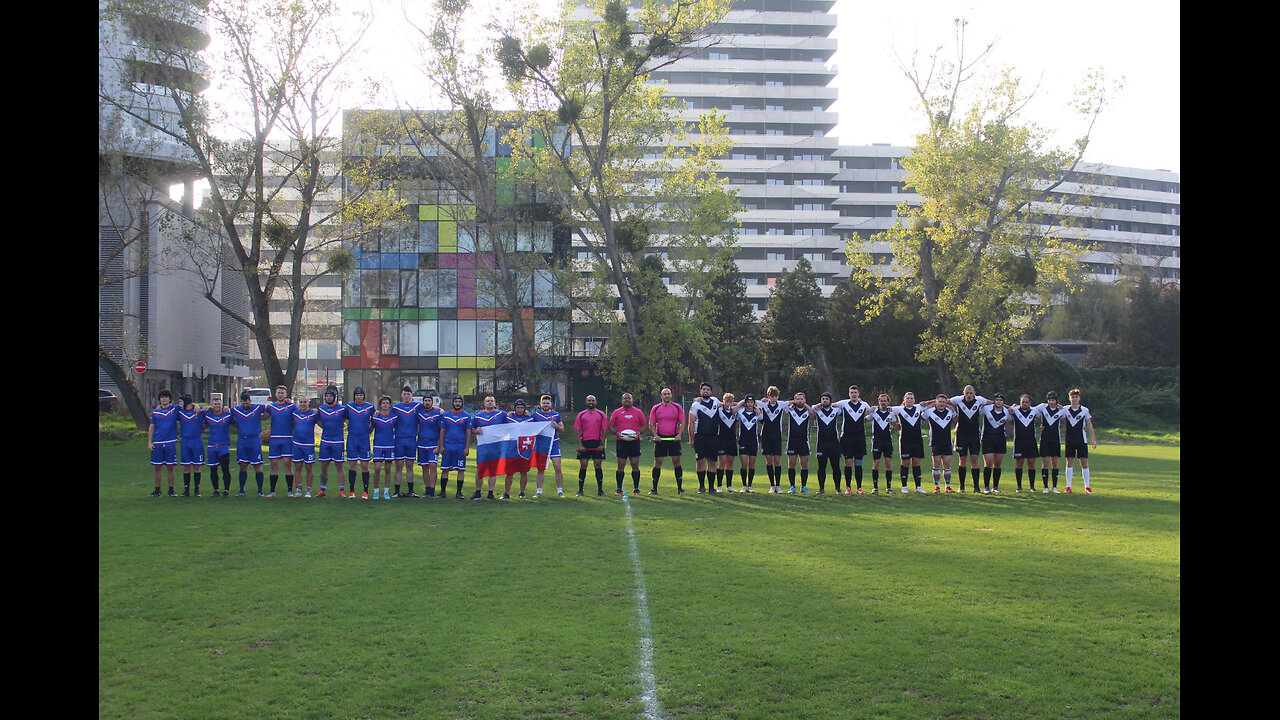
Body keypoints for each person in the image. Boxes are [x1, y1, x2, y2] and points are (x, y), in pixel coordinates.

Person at [949, 385, 991, 493]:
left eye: (971, 393)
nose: (969, 395)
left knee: (975, 459)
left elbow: (993, 403)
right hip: (961, 434)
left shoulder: (979, 400)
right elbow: (943, 401)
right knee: (962, 460)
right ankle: (961, 486)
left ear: (974, 393)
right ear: (963, 393)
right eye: (967, 393)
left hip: (974, 435)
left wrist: (1009, 407)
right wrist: (928, 403)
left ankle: (976, 487)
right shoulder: (958, 400)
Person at [230, 390, 269, 496]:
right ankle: (242, 490)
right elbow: (226, 413)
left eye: (247, 403)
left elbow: (270, 408)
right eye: (243, 403)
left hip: (254, 440)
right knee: (242, 465)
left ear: (250, 401)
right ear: (240, 402)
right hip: (242, 440)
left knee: (257, 465)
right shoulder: (236, 410)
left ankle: (260, 490)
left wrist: (264, 416)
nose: (245, 405)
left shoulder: (256, 408)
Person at [834, 385, 872, 494]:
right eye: (851, 392)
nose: (853, 394)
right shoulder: (844, 403)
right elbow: (831, 405)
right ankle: (848, 487)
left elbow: (872, 412)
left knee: (858, 463)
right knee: (848, 462)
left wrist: (866, 419)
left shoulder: (864, 404)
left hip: (859, 438)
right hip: (847, 437)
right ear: (849, 394)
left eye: (855, 392)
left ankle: (859, 488)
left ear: (858, 394)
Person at [470, 395, 508, 499]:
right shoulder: (478, 416)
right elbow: (471, 429)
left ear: (495, 403)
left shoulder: (502, 415)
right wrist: (475, 431)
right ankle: (478, 492)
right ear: (484, 403)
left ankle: (490, 493)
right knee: (480, 469)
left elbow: (511, 424)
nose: (490, 402)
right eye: (488, 401)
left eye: (492, 401)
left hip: (496, 446)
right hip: (483, 447)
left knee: (493, 470)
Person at [609, 393, 647, 495]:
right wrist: (617, 433)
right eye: (625, 398)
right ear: (621, 400)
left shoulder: (638, 412)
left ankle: (636, 488)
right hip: (621, 442)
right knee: (621, 465)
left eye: (629, 398)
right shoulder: (616, 412)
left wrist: (638, 433)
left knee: (635, 464)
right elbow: (611, 426)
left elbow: (644, 426)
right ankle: (619, 489)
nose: (627, 400)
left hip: (634, 442)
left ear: (632, 400)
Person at [648, 388, 684, 494]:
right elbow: (652, 423)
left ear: (671, 395)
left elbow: (682, 422)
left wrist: (679, 435)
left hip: (674, 439)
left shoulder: (677, 407)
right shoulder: (656, 408)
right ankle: (654, 489)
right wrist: (655, 435)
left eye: (668, 394)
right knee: (658, 463)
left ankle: (680, 488)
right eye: (665, 394)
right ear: (661, 396)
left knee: (676, 462)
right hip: (660, 439)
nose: (667, 396)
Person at [437, 395, 474, 499]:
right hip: (448, 446)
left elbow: (468, 433)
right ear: (453, 403)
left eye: (459, 401)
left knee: (461, 470)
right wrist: (441, 446)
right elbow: (442, 431)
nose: (457, 403)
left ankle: (459, 492)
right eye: (456, 401)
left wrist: (467, 447)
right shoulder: (446, 415)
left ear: (462, 403)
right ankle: (443, 492)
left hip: (460, 447)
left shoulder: (466, 416)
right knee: (445, 469)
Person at [687, 383, 721, 493]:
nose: (706, 391)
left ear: (711, 392)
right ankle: (702, 487)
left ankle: (711, 487)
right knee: (700, 461)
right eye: (703, 389)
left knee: (712, 462)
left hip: (713, 437)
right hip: (700, 437)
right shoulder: (696, 405)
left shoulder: (715, 401)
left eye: (708, 389)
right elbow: (691, 423)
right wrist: (691, 438)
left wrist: (746, 403)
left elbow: (727, 404)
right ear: (700, 391)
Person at [890, 392, 927, 494]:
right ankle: (904, 486)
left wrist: (947, 406)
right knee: (905, 463)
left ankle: (918, 487)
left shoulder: (919, 408)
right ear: (904, 400)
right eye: (908, 398)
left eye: (911, 398)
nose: (909, 400)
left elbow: (934, 404)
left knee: (916, 463)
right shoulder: (899, 409)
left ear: (914, 400)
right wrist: (894, 424)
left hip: (917, 440)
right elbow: (886, 409)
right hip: (905, 440)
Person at [1062, 388, 1097, 494]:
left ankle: (1087, 486)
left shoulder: (1084, 410)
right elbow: (1062, 419)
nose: (1074, 399)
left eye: (1076, 397)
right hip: (1069, 440)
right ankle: (1068, 486)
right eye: (1072, 397)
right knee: (1069, 462)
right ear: (1069, 398)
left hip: (1081, 440)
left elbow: (1089, 424)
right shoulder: (1065, 409)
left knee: (1084, 463)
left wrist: (1093, 440)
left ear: (1079, 398)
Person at [920, 394, 957, 493]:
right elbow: (920, 419)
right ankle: (937, 486)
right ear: (936, 402)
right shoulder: (929, 411)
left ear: (946, 403)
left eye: (943, 402)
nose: (941, 404)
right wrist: (928, 406)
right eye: (939, 402)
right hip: (935, 442)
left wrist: (952, 408)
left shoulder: (950, 411)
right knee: (936, 464)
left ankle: (948, 486)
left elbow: (956, 418)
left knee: (947, 464)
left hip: (947, 442)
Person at [574, 395, 608, 496]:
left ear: (596, 402)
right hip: (585, 443)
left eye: (592, 400)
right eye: (589, 400)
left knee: (598, 465)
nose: (591, 402)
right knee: (583, 465)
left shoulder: (601, 414)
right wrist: (580, 445)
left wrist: (602, 443)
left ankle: (600, 490)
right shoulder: (581, 415)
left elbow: (605, 430)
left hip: (597, 443)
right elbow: (577, 430)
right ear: (586, 402)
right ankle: (580, 490)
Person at [344, 387, 375, 499]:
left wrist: (370, 428)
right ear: (354, 396)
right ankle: (352, 491)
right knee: (352, 464)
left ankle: (365, 491)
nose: (359, 397)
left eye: (361, 395)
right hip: (352, 438)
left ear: (363, 396)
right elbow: (343, 417)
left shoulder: (370, 407)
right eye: (357, 395)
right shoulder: (349, 407)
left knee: (364, 465)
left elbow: (375, 418)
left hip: (364, 439)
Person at [502, 399, 537, 498]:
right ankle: (506, 493)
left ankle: (522, 492)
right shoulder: (508, 418)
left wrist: (529, 415)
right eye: (518, 407)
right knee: (509, 472)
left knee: (524, 471)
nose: (520, 410)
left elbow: (538, 426)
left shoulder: (530, 419)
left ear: (524, 409)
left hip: (524, 448)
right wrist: (507, 416)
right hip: (511, 448)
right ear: (515, 408)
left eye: (522, 408)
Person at [147, 389, 179, 497]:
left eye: (166, 397)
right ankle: (157, 490)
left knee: (170, 467)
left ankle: (171, 489)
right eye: (162, 397)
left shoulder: (175, 409)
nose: (164, 399)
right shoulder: (155, 412)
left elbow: (187, 403)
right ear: (159, 399)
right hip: (158, 442)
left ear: (170, 399)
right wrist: (150, 442)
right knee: (157, 467)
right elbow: (151, 427)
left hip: (170, 442)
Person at [532, 395, 565, 498]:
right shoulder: (535, 415)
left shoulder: (556, 415)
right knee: (540, 468)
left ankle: (560, 491)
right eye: (544, 403)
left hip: (554, 443)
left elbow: (562, 428)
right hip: (541, 445)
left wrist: (556, 426)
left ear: (551, 404)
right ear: (540, 404)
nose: (545, 405)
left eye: (547, 403)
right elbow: (528, 427)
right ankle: (539, 491)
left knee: (557, 467)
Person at [265, 385, 295, 497]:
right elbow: (263, 416)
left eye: (282, 393)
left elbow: (299, 416)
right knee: (274, 464)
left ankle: (290, 491)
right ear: (275, 394)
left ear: (286, 394)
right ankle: (272, 491)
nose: (281, 395)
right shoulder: (271, 407)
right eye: (279, 393)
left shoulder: (292, 407)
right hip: (274, 439)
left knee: (287, 463)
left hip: (287, 438)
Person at [316, 386, 346, 497]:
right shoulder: (321, 409)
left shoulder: (342, 409)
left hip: (338, 442)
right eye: (327, 396)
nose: (328, 398)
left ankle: (342, 491)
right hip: (325, 441)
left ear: (335, 397)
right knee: (324, 466)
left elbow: (346, 419)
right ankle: (322, 490)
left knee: (339, 466)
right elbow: (318, 421)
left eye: (330, 396)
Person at [392, 386, 422, 498]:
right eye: (404, 394)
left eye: (408, 394)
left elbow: (429, 407)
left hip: (411, 439)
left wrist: (439, 409)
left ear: (411, 395)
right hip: (399, 439)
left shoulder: (417, 406)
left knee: (410, 465)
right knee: (399, 465)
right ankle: (396, 491)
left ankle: (411, 491)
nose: (406, 396)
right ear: (401, 395)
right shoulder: (396, 407)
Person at [1036, 391, 1068, 493]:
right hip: (1044, 439)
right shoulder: (1042, 407)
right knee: (1045, 463)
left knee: (1055, 463)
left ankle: (1055, 487)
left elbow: (1066, 420)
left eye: (1053, 400)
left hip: (1055, 439)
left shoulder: (1061, 410)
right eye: (1049, 400)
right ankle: (1046, 487)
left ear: (1056, 401)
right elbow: (1030, 410)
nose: (1051, 402)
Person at [812, 392, 843, 494]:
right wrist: (817, 405)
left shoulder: (836, 410)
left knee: (836, 466)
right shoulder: (817, 411)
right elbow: (811, 408)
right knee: (821, 467)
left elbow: (844, 405)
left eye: (826, 399)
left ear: (830, 400)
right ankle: (821, 488)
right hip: (822, 443)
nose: (825, 400)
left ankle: (837, 488)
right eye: (823, 399)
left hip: (834, 443)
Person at [979, 394, 1010, 493]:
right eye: (997, 400)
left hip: (1000, 439)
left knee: (998, 464)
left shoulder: (1007, 411)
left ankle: (995, 487)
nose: (999, 402)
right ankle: (986, 487)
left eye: (1001, 400)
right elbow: (976, 411)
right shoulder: (986, 409)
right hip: (987, 439)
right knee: (988, 463)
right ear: (994, 401)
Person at [1010, 394, 1041, 492]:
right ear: (1020, 402)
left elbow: (1045, 409)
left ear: (1030, 403)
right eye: (1023, 402)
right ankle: (1019, 487)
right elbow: (1005, 407)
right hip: (1019, 442)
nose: (1024, 404)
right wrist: (1011, 407)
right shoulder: (1015, 410)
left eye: (1026, 402)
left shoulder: (1034, 411)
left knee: (1031, 463)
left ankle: (1032, 487)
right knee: (1019, 463)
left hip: (1031, 441)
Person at [203, 394, 233, 497]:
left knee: (225, 469)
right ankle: (216, 490)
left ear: (222, 405)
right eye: (215, 404)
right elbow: (198, 410)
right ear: (212, 404)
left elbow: (236, 422)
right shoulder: (208, 415)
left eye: (218, 404)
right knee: (213, 469)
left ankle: (226, 490)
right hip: (212, 446)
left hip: (223, 446)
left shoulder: (227, 415)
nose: (217, 406)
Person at [869, 394, 899, 493]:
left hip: (887, 441)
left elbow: (895, 425)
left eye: (885, 401)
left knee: (888, 464)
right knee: (876, 463)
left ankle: (889, 487)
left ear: (888, 402)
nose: (883, 402)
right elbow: (864, 419)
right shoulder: (874, 411)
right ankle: (875, 487)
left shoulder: (891, 413)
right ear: (878, 401)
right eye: (881, 400)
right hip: (877, 441)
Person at [177, 395, 206, 497]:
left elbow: (210, 408)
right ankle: (186, 490)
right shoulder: (180, 412)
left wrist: (196, 405)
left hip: (197, 441)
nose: (179, 404)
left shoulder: (199, 411)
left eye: (181, 402)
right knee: (186, 467)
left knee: (197, 467)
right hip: (185, 441)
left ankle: (197, 489)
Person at [785, 392, 814, 493]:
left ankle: (803, 486)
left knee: (804, 464)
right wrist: (792, 402)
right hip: (792, 441)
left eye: (801, 399)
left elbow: (813, 413)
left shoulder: (807, 411)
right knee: (792, 464)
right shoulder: (791, 409)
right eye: (797, 399)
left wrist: (806, 405)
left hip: (804, 441)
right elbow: (783, 405)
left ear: (805, 400)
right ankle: (792, 486)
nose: (799, 401)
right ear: (794, 400)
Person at [759, 386, 786, 493]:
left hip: (777, 436)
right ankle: (772, 485)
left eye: (775, 396)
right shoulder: (764, 404)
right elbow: (747, 401)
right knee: (769, 461)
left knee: (777, 461)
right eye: (771, 396)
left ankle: (778, 485)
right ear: (768, 396)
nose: (773, 398)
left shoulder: (781, 405)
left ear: (778, 397)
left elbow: (794, 401)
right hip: (765, 436)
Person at [290, 396, 318, 497]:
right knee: (298, 467)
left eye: (304, 402)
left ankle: (308, 490)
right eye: (301, 402)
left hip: (309, 445)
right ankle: (298, 489)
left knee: (309, 468)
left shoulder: (313, 414)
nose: (302, 404)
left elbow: (322, 423)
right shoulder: (294, 414)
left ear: (308, 403)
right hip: (297, 444)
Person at [370, 396, 397, 499]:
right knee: (377, 468)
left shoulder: (394, 417)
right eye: (383, 403)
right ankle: (376, 491)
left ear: (390, 405)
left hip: (390, 446)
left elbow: (396, 428)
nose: (385, 405)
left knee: (388, 469)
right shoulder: (375, 417)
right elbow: (370, 429)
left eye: (387, 403)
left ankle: (386, 491)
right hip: (378, 446)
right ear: (380, 405)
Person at [416, 395, 443, 498]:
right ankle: (427, 490)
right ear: (423, 402)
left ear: (432, 402)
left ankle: (432, 489)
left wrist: (439, 445)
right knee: (424, 467)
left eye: (429, 401)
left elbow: (441, 431)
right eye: (425, 400)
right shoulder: (419, 412)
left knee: (433, 466)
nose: (427, 402)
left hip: (433, 445)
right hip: (421, 444)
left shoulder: (438, 413)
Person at [735, 395, 761, 491]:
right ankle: (744, 485)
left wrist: (757, 408)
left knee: (752, 464)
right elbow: (733, 406)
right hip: (743, 441)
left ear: (754, 403)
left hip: (753, 441)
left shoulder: (758, 412)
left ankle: (750, 486)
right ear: (745, 403)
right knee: (744, 464)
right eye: (748, 402)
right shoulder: (740, 411)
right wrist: (741, 403)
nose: (750, 404)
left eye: (752, 402)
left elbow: (764, 420)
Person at [715, 393, 738, 491]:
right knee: (722, 463)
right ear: (723, 401)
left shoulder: (735, 411)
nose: (728, 403)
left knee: (730, 463)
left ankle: (729, 486)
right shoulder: (719, 410)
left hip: (732, 440)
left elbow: (745, 404)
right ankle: (719, 486)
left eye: (730, 401)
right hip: (721, 440)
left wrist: (736, 405)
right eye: (726, 401)